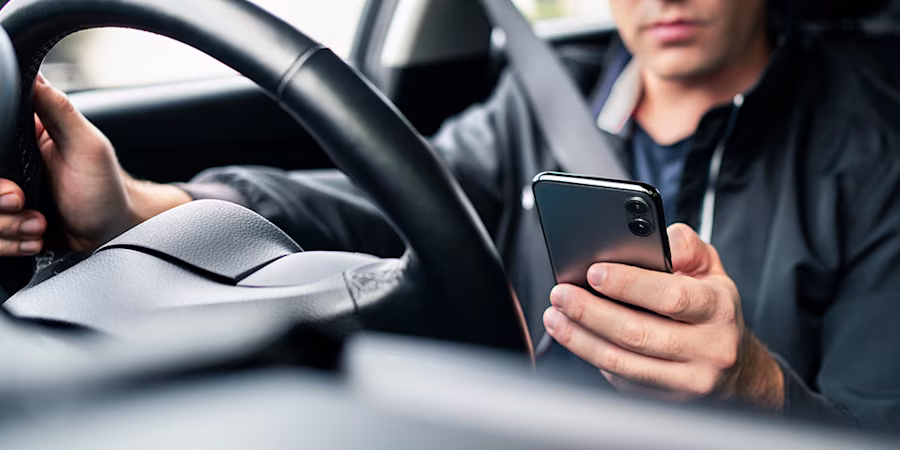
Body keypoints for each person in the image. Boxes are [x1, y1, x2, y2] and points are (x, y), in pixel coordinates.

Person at [1, 0, 899, 432]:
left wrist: (753, 387)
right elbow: (374, 196)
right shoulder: (540, 106)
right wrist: (131, 207)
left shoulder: (873, 149)